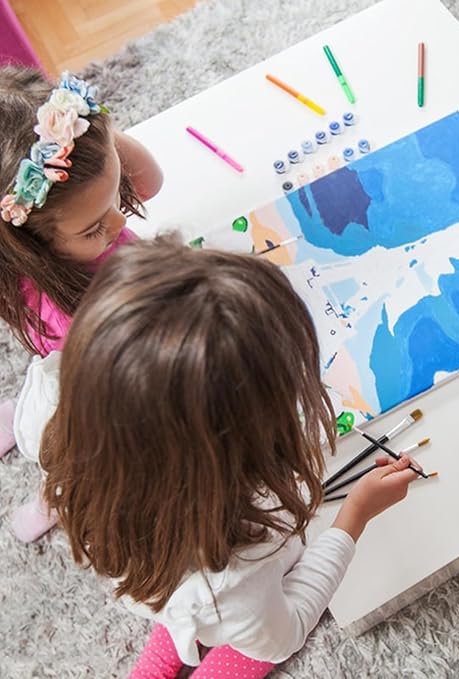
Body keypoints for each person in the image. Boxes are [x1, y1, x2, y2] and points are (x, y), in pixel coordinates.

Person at [40, 237, 420, 678]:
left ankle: (170, 642)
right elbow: (286, 631)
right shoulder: (237, 580)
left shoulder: (66, 432)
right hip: (220, 599)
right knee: (242, 642)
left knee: (183, 606)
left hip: (165, 575)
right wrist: (354, 515)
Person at [0, 65, 163, 541]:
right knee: (77, 441)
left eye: (113, 198)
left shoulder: (76, 217)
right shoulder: (40, 288)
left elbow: (150, 182)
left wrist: (97, 138)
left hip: (99, 350)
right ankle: (56, 486)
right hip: (83, 361)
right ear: (26, 245)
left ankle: (32, 420)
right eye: (94, 228)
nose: (120, 222)